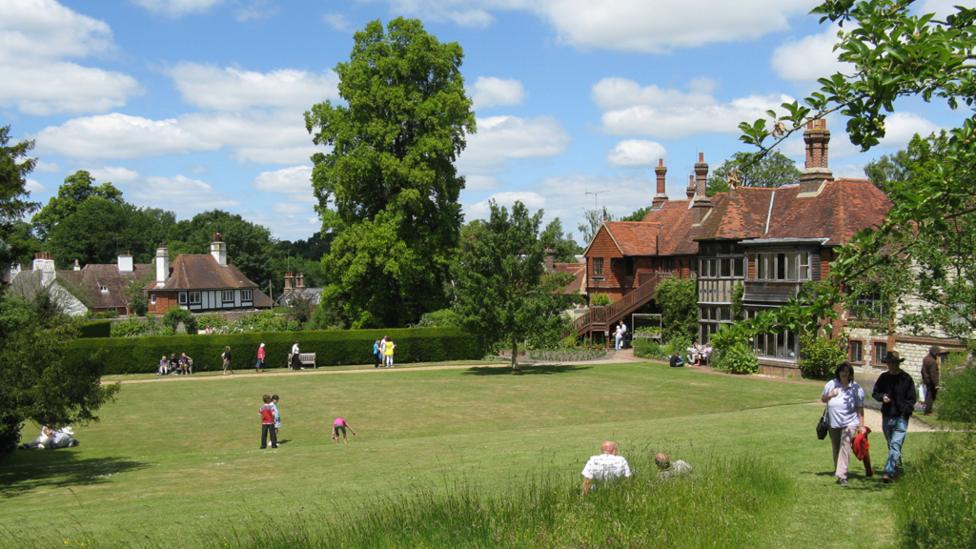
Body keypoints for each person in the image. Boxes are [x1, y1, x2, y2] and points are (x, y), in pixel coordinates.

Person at [872, 351, 916, 483]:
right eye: (888, 363)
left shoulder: (906, 378)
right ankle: (898, 469)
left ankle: (889, 471)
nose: (890, 365)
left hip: (901, 417)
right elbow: (875, 393)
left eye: (893, 363)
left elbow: (912, 399)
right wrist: (882, 397)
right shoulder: (883, 377)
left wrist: (905, 411)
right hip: (887, 415)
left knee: (895, 444)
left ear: (898, 363)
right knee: (891, 445)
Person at [821, 362, 866, 486]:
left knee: (845, 446)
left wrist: (861, 425)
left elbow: (860, 408)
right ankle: (838, 469)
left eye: (847, 371)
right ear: (838, 372)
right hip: (833, 422)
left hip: (850, 422)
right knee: (836, 448)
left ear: (850, 373)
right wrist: (830, 394)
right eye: (842, 371)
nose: (845, 373)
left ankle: (842, 476)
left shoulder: (856, 388)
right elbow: (823, 399)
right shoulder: (831, 384)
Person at [920, 346, 941, 415]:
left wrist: (924, 379)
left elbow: (922, 371)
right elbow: (933, 374)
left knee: (928, 395)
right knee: (931, 396)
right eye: (937, 353)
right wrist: (936, 384)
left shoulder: (925, 359)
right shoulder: (932, 361)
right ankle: (927, 411)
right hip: (931, 381)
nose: (937, 355)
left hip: (927, 380)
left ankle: (927, 410)